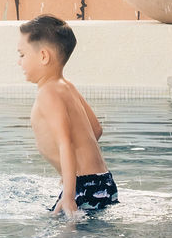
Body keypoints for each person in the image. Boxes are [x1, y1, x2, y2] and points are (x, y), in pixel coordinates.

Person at [17, 14, 117, 216]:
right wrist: (72, 172)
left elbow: (66, 142)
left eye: (22, 55)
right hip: (101, 181)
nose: (19, 62)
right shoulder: (67, 86)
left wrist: (69, 194)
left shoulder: (48, 94)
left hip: (82, 187)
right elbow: (96, 129)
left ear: (43, 56)